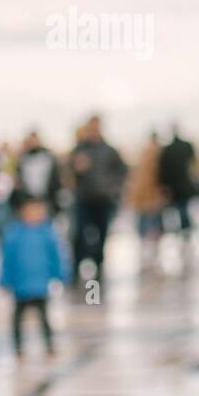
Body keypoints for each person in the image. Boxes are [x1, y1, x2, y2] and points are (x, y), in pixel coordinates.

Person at [0, 195, 69, 357]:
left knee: (44, 317)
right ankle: (17, 346)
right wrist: (4, 279)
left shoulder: (47, 234)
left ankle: (49, 344)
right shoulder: (13, 235)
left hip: (40, 286)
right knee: (17, 318)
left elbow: (56, 258)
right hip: (20, 287)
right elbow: (7, 260)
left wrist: (61, 275)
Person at [68, 115, 126, 288]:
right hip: (84, 198)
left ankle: (98, 269)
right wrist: (77, 168)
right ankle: (76, 269)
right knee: (79, 235)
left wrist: (113, 189)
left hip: (104, 200)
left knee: (101, 235)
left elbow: (122, 172)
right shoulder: (80, 149)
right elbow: (69, 172)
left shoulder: (110, 150)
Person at [128, 131, 166, 266]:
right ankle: (152, 251)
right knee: (154, 223)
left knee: (144, 223)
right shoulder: (158, 152)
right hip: (152, 194)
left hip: (144, 194)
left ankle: (146, 250)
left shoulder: (143, 152)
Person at [11, 130, 63, 218]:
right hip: (28, 197)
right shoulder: (23, 158)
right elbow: (19, 178)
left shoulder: (48, 157)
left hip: (45, 197)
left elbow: (55, 177)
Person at [157, 124, 197, 237]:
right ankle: (185, 234)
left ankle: (180, 233)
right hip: (184, 185)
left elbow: (163, 170)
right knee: (183, 212)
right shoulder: (186, 146)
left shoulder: (167, 149)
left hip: (173, 188)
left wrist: (164, 186)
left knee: (177, 212)